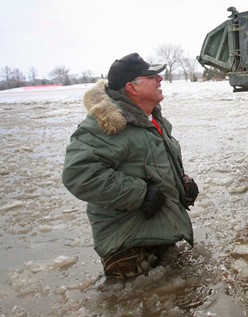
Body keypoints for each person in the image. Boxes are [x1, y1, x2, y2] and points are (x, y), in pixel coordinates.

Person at [62, 52, 198, 279]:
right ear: (132, 88)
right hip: (129, 244)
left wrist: (181, 183)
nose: (160, 79)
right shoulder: (107, 123)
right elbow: (79, 175)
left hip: (158, 231)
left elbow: (151, 164)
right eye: (151, 76)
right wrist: (140, 193)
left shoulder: (150, 119)